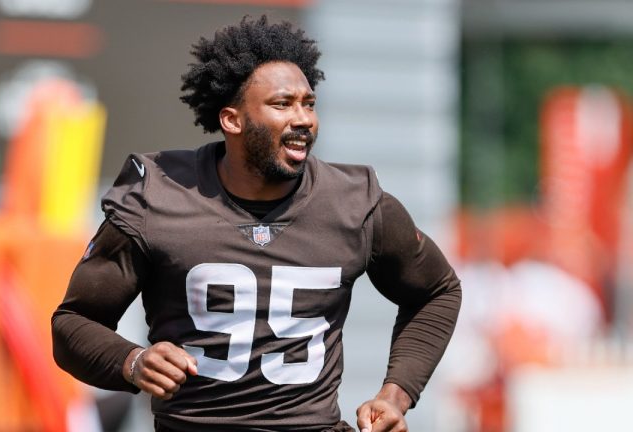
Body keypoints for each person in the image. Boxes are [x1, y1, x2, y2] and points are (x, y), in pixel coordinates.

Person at [52, 15, 461, 432]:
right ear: (232, 120)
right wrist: (132, 361)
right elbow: (72, 325)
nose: (304, 119)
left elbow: (437, 291)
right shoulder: (157, 196)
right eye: (283, 104)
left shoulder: (355, 201)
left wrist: (397, 393)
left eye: (309, 103)